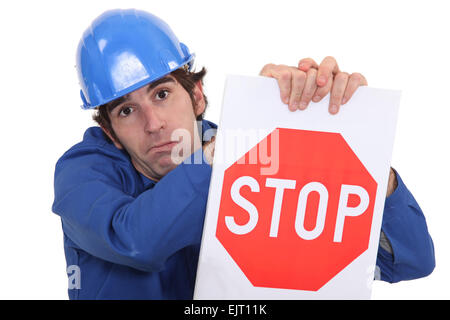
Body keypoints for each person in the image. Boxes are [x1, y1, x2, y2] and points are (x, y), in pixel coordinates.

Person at [52, 9, 435, 300]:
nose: (153, 124)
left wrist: (347, 142)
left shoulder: (246, 147)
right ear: (110, 133)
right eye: (126, 110)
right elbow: (136, 239)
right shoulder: (83, 173)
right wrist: (235, 144)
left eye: (162, 94)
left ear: (197, 95)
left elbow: (408, 262)